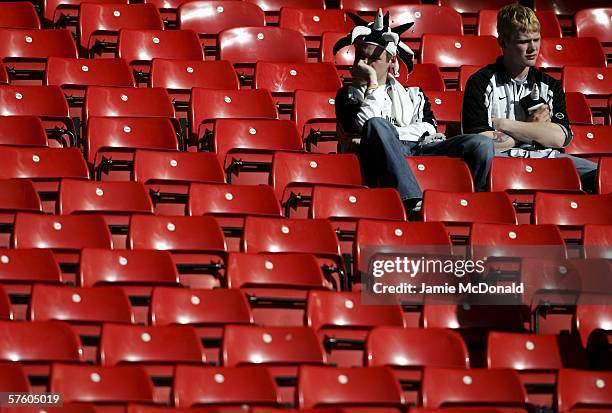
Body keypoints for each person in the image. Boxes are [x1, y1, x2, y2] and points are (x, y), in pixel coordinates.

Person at [334, 9, 495, 213]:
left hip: (420, 147)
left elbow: (428, 127)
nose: (363, 63)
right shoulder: (348, 95)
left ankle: (475, 203)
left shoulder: (413, 94)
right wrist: (373, 85)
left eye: (372, 58)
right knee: (377, 124)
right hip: (380, 156)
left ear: (391, 61)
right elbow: (365, 124)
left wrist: (390, 134)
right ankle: (412, 200)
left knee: (480, 144)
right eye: (360, 56)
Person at [461, 3, 597, 191]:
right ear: (503, 42)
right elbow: (480, 142)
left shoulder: (549, 85)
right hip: (501, 160)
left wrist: (503, 124)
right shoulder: (481, 82)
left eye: (536, 40)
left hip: (546, 158)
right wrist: (535, 131)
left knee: (601, 174)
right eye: (524, 42)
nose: (533, 48)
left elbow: (559, 138)